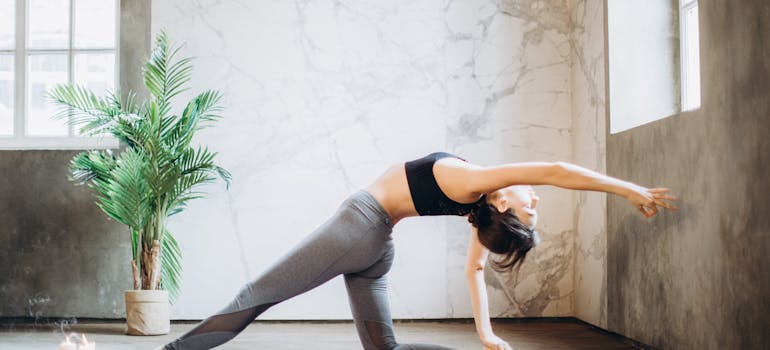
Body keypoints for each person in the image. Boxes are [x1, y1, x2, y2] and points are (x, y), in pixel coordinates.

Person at [160, 152, 677, 350]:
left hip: (358, 228)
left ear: (504, 203)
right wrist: (486, 336)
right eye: (534, 207)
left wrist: (628, 190)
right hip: (376, 248)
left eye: (531, 210)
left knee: (255, 296)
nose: (535, 198)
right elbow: (476, 273)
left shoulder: (480, 186)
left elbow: (557, 171)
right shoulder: (477, 206)